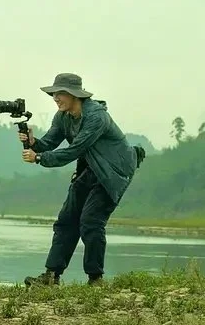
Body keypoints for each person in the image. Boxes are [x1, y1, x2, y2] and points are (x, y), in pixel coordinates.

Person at [21, 72, 139, 286]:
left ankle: (96, 279)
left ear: (75, 95)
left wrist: (38, 158)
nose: (55, 98)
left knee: (91, 222)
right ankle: (51, 276)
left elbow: (75, 149)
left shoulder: (96, 116)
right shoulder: (62, 117)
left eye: (60, 94)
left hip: (114, 172)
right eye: (54, 94)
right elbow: (49, 142)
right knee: (66, 221)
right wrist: (33, 142)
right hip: (89, 169)